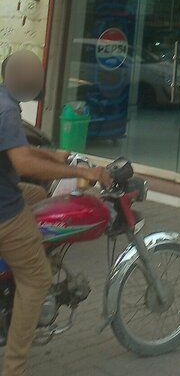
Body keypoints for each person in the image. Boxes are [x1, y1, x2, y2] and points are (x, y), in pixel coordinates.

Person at [0, 50, 111, 376]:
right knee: (37, 278)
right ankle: (15, 367)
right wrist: (86, 175)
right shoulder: (7, 111)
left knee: (36, 195)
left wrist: (55, 155)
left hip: (8, 195)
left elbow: (17, 148)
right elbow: (22, 163)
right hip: (4, 212)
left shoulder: (4, 103)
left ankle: (29, 261)